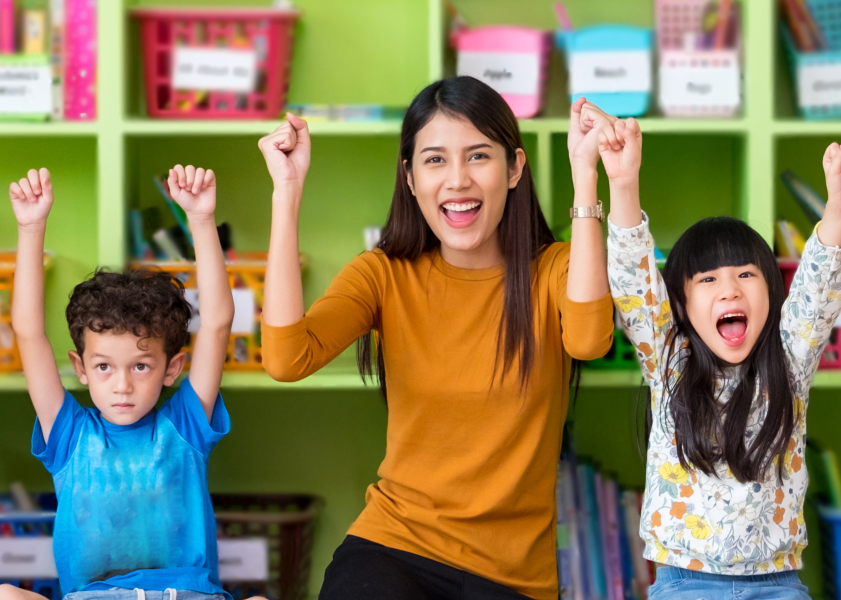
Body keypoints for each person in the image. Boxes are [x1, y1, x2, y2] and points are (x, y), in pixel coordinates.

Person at [255, 77, 614, 599]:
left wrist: (586, 180)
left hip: (512, 576)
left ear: (515, 168)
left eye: (478, 156)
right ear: (410, 177)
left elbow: (588, 340)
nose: (458, 180)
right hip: (394, 548)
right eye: (435, 160)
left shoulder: (555, 269)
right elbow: (288, 358)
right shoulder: (383, 274)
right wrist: (286, 195)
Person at [607, 136, 841, 598]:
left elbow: (816, 296)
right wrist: (623, 182)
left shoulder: (788, 362)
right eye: (708, 280)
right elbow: (635, 284)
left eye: (746, 275)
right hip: (684, 583)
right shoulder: (670, 361)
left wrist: (839, 209)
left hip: (778, 584)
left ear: (772, 292)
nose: (729, 290)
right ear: (683, 306)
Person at [0, 166, 251, 600]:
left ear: (172, 368)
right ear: (81, 368)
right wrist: (31, 228)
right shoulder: (69, 434)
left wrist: (201, 220)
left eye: (140, 367)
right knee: (2, 597)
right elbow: (28, 332)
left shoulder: (185, 426)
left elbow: (218, 323)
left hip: (186, 596)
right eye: (104, 367)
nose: (121, 385)